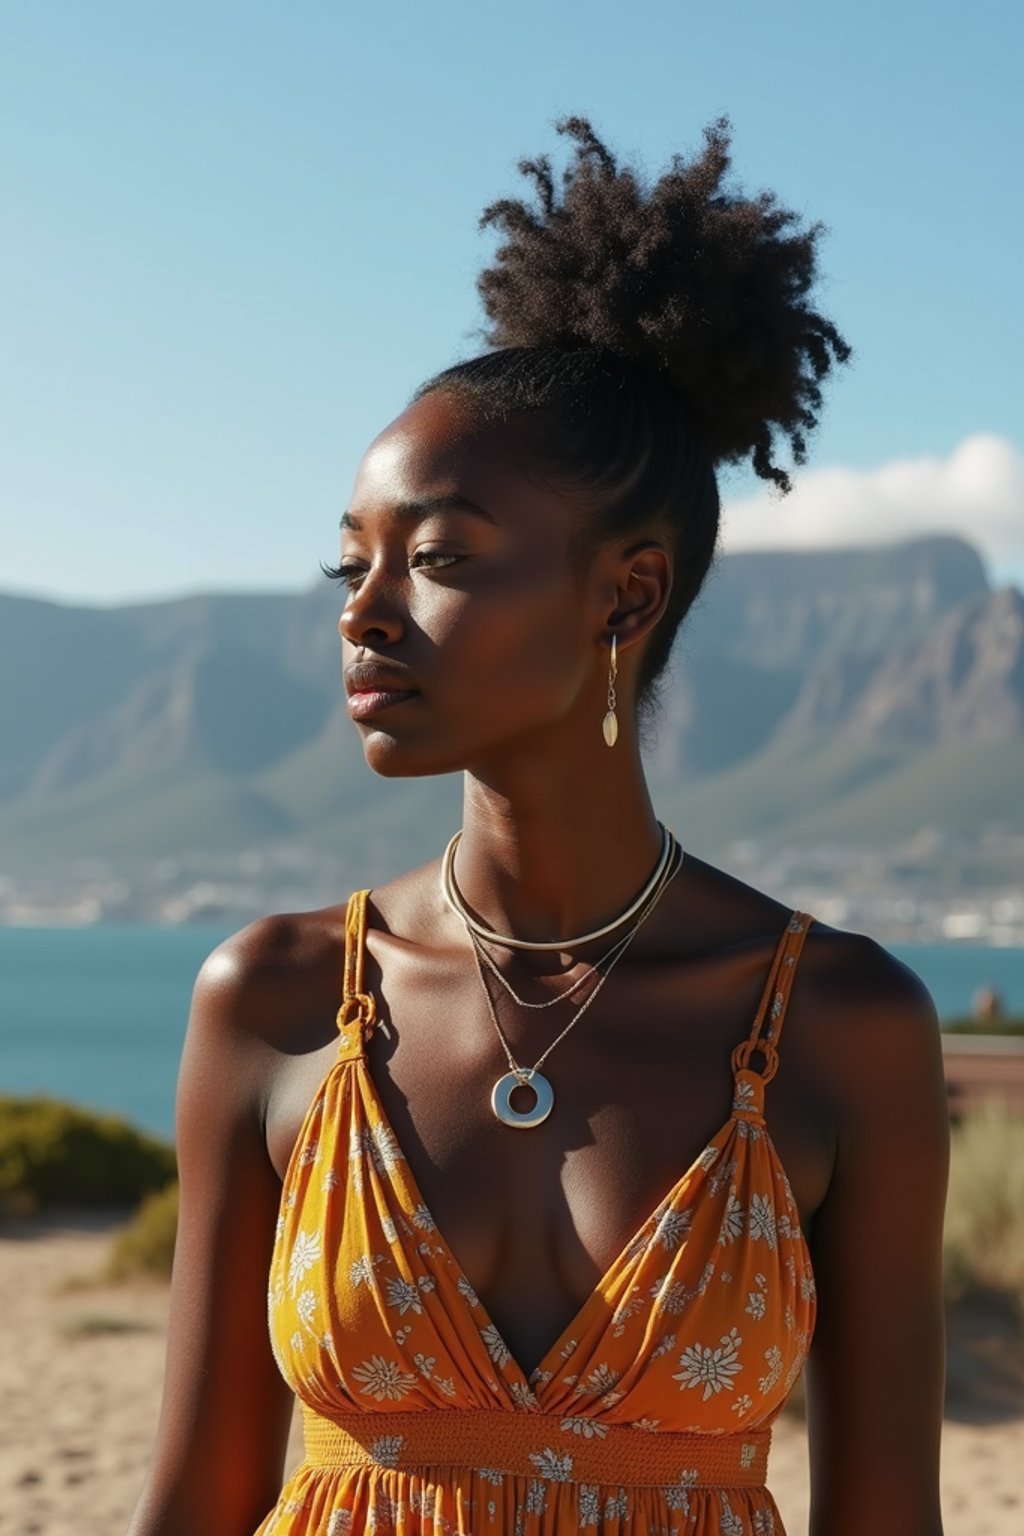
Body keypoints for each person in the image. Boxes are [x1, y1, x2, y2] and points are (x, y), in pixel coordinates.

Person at [126, 115, 949, 1536]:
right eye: (353, 563)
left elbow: (884, 1519)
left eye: (440, 560)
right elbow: (197, 1499)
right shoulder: (270, 1000)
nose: (362, 613)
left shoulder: (837, 1021)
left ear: (624, 599)